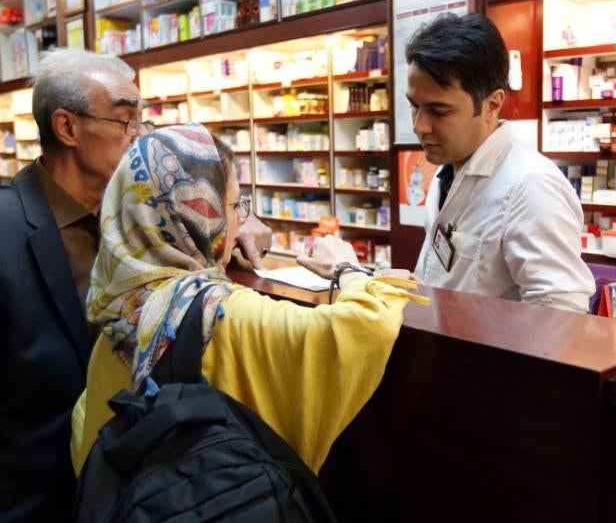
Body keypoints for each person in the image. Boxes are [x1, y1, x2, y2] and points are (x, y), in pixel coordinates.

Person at [71, 124, 426, 482]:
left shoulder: (116, 303)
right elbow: (362, 328)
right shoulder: (222, 314)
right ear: (200, 215)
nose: (241, 220)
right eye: (235, 204)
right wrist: (348, 269)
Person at [0, 49, 269, 522]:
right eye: (127, 122)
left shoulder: (137, 215)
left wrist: (235, 220)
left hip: (132, 490)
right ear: (67, 128)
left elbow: (200, 213)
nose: (141, 138)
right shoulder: (6, 228)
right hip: (34, 497)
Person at [301, 14, 594, 313]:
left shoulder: (531, 187)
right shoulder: (450, 169)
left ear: (493, 104)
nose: (419, 126)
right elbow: (455, 283)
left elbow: (561, 317)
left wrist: (349, 276)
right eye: (415, 106)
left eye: (439, 111)